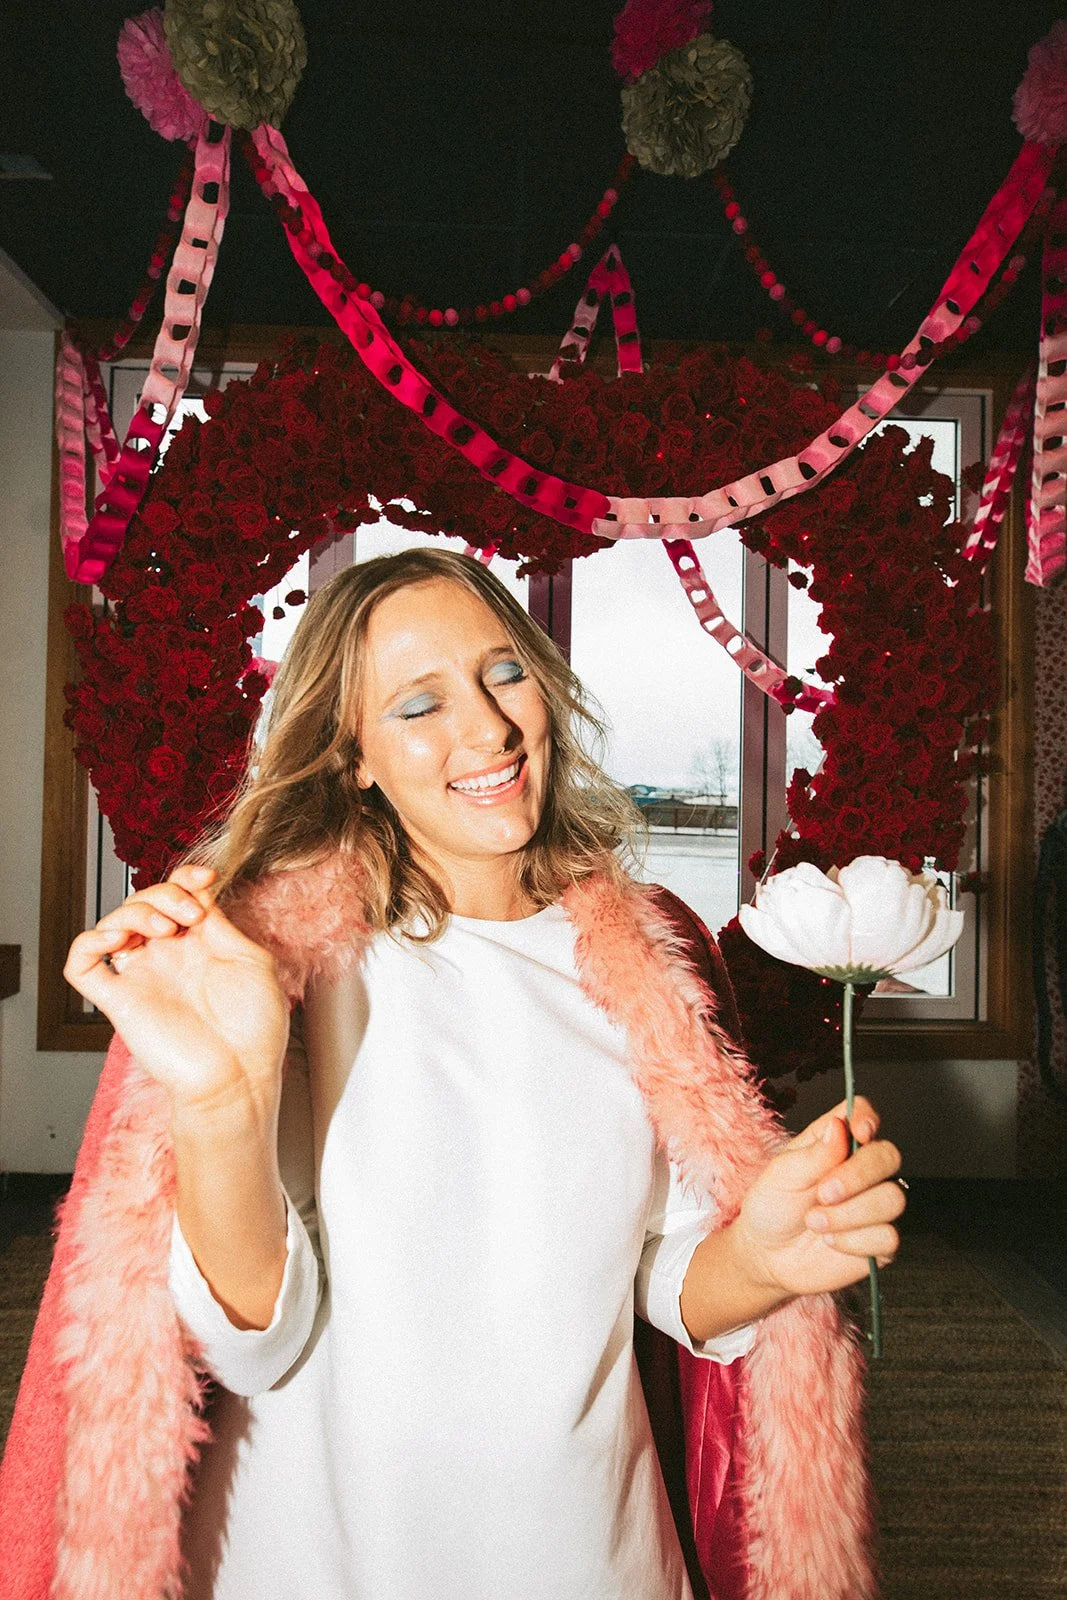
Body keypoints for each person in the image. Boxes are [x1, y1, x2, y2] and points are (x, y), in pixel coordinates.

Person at [0, 548, 902, 1600]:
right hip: (318, 1558)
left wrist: (761, 1256)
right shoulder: (276, 967)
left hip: (586, 1550)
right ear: (353, 756)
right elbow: (252, 1345)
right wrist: (217, 1099)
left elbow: (659, 1275)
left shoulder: (651, 959)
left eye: (503, 672)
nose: (488, 728)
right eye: (420, 704)